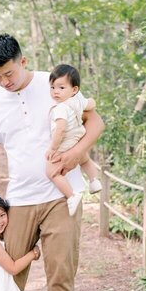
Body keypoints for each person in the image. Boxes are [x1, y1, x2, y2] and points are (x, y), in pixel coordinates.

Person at [0, 34, 105, 291]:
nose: (4, 82)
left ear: (23, 61)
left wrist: (75, 154)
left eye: (9, 74)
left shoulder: (56, 85)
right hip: (18, 201)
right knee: (6, 275)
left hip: (63, 197)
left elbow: (96, 121)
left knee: (61, 274)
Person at [46, 63, 102, 217]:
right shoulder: (77, 100)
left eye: (61, 88)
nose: (56, 92)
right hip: (78, 137)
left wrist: (53, 148)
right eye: (52, 87)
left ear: (74, 89)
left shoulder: (60, 108)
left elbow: (60, 129)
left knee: (52, 172)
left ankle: (71, 196)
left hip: (65, 142)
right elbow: (91, 104)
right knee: (84, 159)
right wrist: (90, 102)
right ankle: (94, 180)